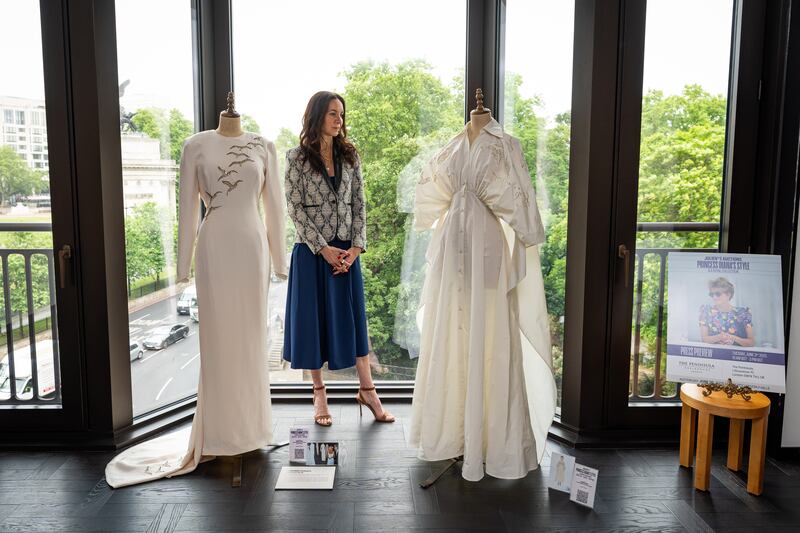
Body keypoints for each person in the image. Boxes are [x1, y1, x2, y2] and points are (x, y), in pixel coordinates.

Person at [283, 91, 395, 426]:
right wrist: (323, 248)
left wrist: (356, 248)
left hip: (347, 253)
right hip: (313, 253)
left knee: (355, 324)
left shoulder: (350, 156)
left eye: (341, 115)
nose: (339, 120)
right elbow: (295, 209)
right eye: (333, 113)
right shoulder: (296, 158)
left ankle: (368, 391)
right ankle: (319, 395)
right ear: (317, 116)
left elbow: (360, 204)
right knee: (313, 325)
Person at [699, 277, 755, 347]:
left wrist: (732, 338)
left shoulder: (743, 313)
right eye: (711, 294)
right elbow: (704, 339)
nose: (714, 297)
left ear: (728, 294)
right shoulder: (706, 311)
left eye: (718, 294)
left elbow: (751, 342)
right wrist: (720, 337)